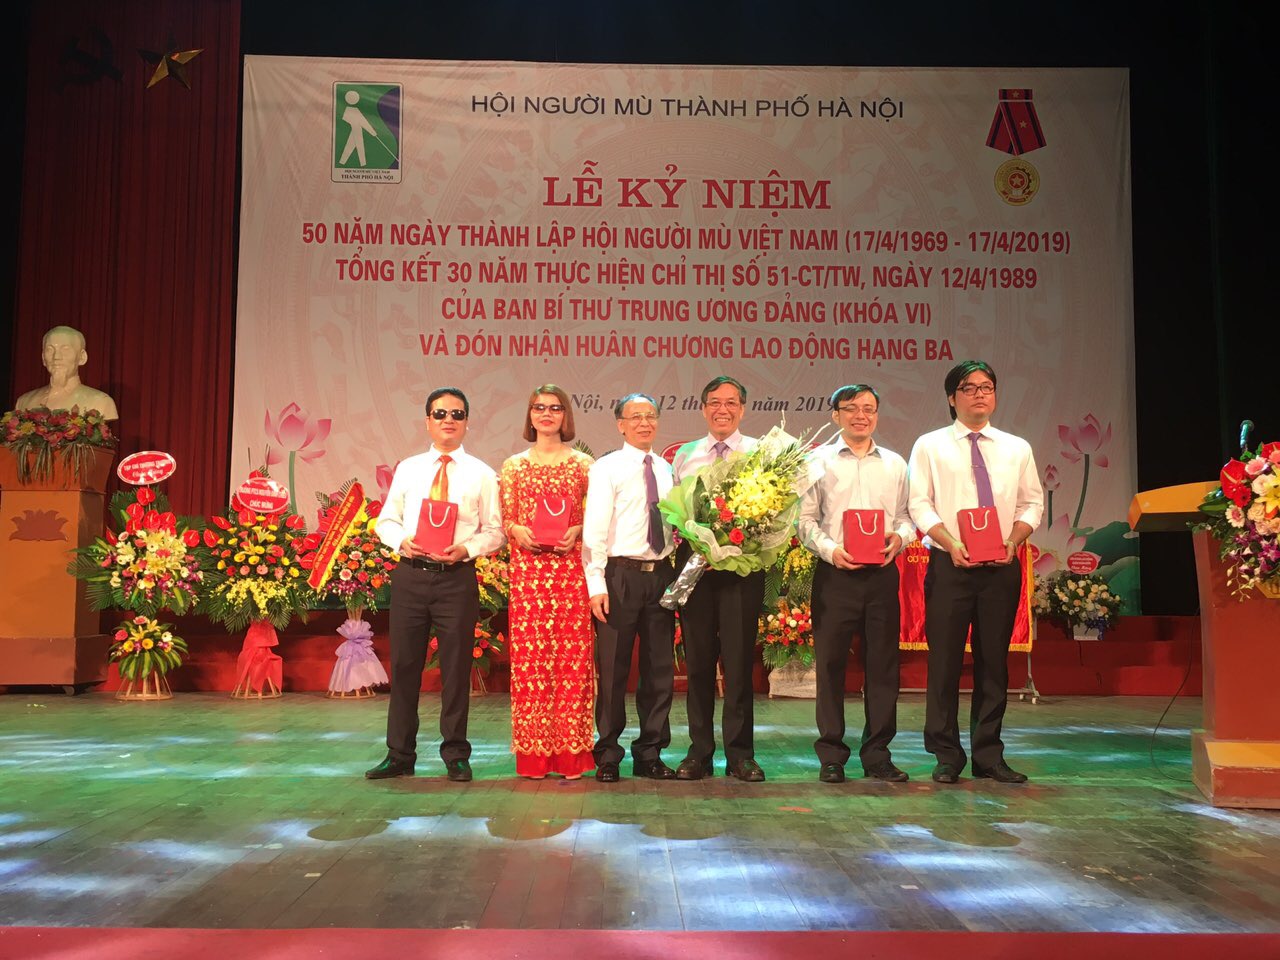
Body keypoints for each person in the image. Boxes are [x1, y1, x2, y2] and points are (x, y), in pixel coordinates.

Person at [907, 361, 1043, 784]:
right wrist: (950, 542)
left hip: (1001, 566)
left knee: (993, 664)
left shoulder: (1016, 448)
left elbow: (1032, 504)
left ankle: (989, 755)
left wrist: (1014, 540)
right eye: (969, 388)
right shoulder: (930, 445)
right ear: (952, 398)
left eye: (987, 387)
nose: (980, 394)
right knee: (944, 663)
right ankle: (946, 755)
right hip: (950, 565)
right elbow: (919, 502)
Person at [366, 387, 504, 782]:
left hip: (456, 579)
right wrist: (401, 541)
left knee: (456, 669)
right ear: (427, 421)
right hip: (411, 574)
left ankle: (456, 754)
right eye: (440, 414)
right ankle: (399, 754)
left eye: (457, 414)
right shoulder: (409, 468)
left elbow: (495, 531)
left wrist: (466, 549)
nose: (448, 420)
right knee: (404, 666)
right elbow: (386, 520)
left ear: (467, 423)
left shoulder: (482, 474)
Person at [798, 384, 914, 784]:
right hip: (836, 575)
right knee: (830, 666)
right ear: (836, 415)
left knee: (883, 667)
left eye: (869, 408)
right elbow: (804, 520)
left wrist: (900, 538)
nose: (861, 415)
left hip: (881, 575)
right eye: (851, 408)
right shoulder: (817, 462)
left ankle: (878, 754)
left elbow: (906, 517)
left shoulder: (895, 464)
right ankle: (831, 755)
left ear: (877, 415)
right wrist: (831, 551)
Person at [670, 375, 766, 782]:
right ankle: (700, 752)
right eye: (714, 402)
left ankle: (741, 755)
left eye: (730, 402)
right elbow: (674, 514)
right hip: (696, 569)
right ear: (703, 408)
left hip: (742, 569)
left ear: (742, 409)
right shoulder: (685, 455)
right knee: (698, 663)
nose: (722, 409)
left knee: (739, 663)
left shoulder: (761, 454)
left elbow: (773, 512)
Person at [500, 384, 595, 780]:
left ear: (565, 415)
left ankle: (572, 756)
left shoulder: (584, 466)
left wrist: (579, 529)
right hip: (529, 577)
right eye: (538, 407)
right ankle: (534, 757)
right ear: (530, 415)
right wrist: (515, 530)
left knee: (573, 664)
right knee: (531, 666)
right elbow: (505, 519)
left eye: (555, 408)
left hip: (571, 574)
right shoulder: (513, 466)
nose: (546, 414)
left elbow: (596, 518)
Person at [582, 393, 677, 783]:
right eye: (635, 417)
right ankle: (608, 753)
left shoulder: (667, 469)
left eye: (650, 416)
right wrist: (596, 583)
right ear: (620, 425)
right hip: (619, 577)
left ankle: (650, 753)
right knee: (613, 670)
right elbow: (594, 530)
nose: (644, 423)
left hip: (661, 576)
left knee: (659, 670)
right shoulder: (607, 468)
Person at [15, 326, 118, 419]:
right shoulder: (24, 401)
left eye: (65, 349)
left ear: (82, 357)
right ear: (43, 358)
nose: (56, 357)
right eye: (50, 349)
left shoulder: (100, 402)